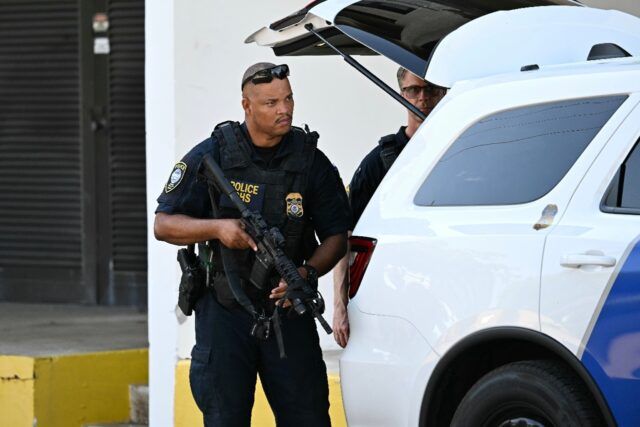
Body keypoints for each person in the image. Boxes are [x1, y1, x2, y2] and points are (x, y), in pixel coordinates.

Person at [154, 62, 350, 427]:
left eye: (288, 99)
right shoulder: (212, 154)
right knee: (225, 417)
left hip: (288, 311)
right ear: (246, 105)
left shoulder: (310, 162)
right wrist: (218, 229)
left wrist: (305, 274)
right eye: (271, 102)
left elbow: (338, 235)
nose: (285, 110)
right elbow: (163, 225)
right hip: (224, 313)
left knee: (307, 417)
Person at [332, 68, 446, 348]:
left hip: (447, 292)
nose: (423, 98)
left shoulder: (460, 152)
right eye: (413, 90)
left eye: (431, 89)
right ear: (401, 94)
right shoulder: (379, 162)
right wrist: (339, 306)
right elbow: (343, 237)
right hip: (393, 297)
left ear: (443, 92)